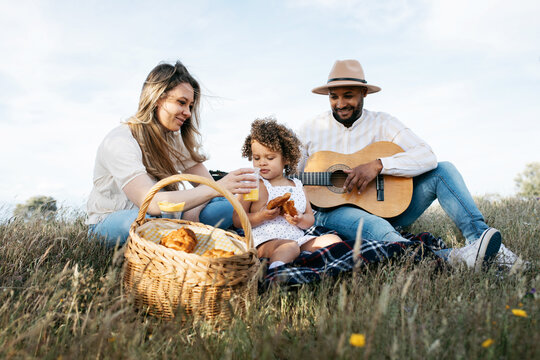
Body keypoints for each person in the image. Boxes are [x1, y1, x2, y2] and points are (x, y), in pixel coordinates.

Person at [296, 59, 520, 271]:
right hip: (331, 212)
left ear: (364, 93)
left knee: (444, 169)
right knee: (373, 224)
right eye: (334, 97)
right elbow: (290, 174)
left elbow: (426, 156)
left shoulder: (383, 122)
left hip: (390, 207)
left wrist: (379, 165)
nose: (341, 103)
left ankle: (486, 244)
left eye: (348, 96)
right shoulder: (310, 129)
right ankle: (453, 258)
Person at [86, 60, 257, 247]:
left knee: (233, 205)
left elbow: (206, 186)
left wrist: (195, 210)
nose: (188, 113)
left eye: (190, 106)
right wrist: (219, 187)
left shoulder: (173, 140)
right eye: (181, 103)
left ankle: (194, 237)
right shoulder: (120, 141)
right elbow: (150, 203)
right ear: (157, 98)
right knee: (145, 223)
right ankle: (194, 238)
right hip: (116, 221)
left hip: (168, 219)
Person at [233, 118, 342, 270]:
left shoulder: (297, 185)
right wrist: (261, 216)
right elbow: (238, 219)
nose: (261, 162)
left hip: (298, 238)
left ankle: (329, 265)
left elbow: (310, 218)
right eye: (256, 158)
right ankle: (276, 275)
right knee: (289, 247)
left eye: (270, 158)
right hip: (266, 241)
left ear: (286, 158)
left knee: (332, 240)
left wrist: (300, 219)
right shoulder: (254, 185)